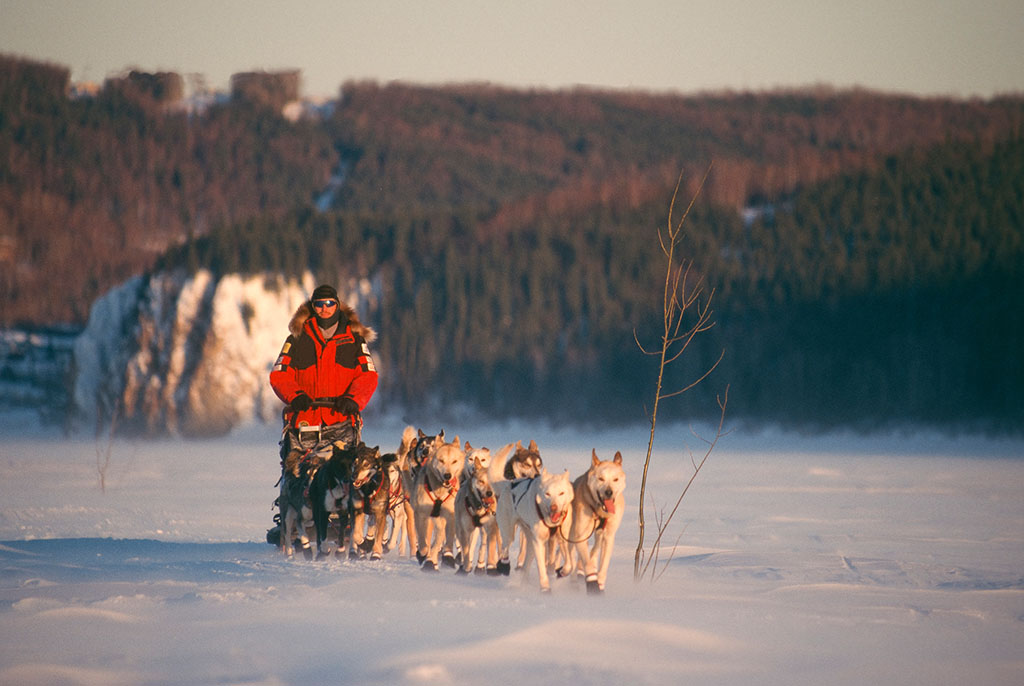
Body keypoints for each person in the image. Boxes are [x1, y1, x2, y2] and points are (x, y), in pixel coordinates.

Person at [266, 284, 379, 545]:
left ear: (337, 305)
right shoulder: (297, 337)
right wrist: (295, 396)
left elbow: (368, 375)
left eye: (330, 304)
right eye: (319, 304)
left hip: (340, 419)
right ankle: (290, 519)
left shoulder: (354, 339)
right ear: (312, 307)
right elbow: (279, 373)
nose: (324, 309)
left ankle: (348, 518)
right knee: (296, 471)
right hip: (305, 418)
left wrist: (354, 399)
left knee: (345, 472)